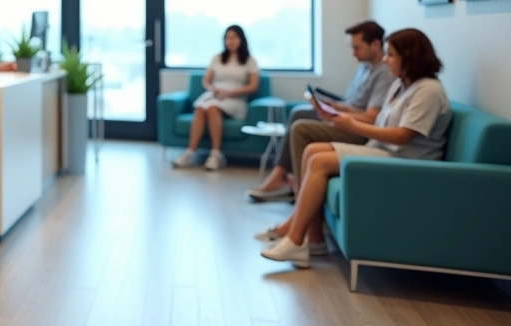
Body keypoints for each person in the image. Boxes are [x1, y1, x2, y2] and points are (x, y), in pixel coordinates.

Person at [259, 28, 451, 267]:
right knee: (312, 151)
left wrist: (351, 125)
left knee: (319, 161)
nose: (385, 59)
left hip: (407, 161)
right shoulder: (402, 85)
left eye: (391, 54)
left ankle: (295, 240)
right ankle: (311, 239)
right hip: (386, 151)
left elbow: (403, 136)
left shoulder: (428, 90)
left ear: (409, 57)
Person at [246, 21, 397, 201]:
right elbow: (354, 103)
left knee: (300, 125)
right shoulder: (363, 68)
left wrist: (339, 114)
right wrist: (332, 105)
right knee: (299, 111)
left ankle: (292, 186)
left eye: (357, 48)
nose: (353, 53)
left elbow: (372, 116)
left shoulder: (384, 74)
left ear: (376, 44)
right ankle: (285, 178)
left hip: (359, 129)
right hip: (349, 117)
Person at [172, 25, 260, 171]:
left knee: (212, 107)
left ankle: (215, 154)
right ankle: (190, 152)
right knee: (201, 107)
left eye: (233, 38)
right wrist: (213, 88)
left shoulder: (250, 61)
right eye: (227, 38)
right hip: (215, 94)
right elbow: (206, 80)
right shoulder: (217, 58)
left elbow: (253, 86)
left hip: (235, 98)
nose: (230, 41)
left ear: (241, 39)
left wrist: (232, 92)